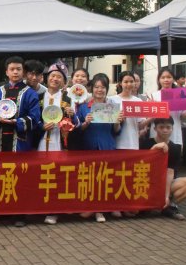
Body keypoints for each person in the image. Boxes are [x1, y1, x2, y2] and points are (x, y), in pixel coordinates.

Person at [0, 56, 41, 227]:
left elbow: (35, 119)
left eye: (19, 69)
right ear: (6, 72)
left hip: (20, 143)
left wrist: (16, 122)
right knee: (1, 175)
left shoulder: (30, 93)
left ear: (23, 72)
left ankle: (20, 214)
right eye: (12, 69)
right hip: (0, 142)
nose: (15, 72)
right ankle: (3, 211)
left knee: (21, 177)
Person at [77, 73, 123, 223]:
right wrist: (85, 123)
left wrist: (117, 121)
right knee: (90, 179)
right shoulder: (84, 107)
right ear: (92, 89)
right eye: (96, 87)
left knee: (104, 179)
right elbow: (77, 130)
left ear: (107, 89)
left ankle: (100, 210)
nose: (99, 90)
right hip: (88, 147)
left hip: (106, 146)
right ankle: (91, 207)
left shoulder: (112, 107)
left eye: (103, 87)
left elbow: (117, 131)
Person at [37, 62, 79, 225]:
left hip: (59, 142)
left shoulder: (68, 98)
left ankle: (54, 210)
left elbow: (76, 123)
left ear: (64, 81)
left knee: (56, 175)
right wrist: (41, 127)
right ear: (47, 78)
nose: (55, 79)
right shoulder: (38, 97)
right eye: (52, 76)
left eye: (59, 77)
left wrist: (72, 115)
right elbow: (33, 119)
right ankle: (40, 207)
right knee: (40, 173)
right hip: (41, 141)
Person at [108, 71, 151, 218]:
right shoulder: (112, 100)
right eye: (126, 81)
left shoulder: (138, 101)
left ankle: (126, 206)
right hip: (116, 143)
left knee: (129, 177)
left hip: (132, 143)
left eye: (131, 81)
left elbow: (140, 125)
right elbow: (108, 122)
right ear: (120, 83)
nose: (129, 84)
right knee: (116, 176)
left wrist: (152, 118)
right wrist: (118, 119)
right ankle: (115, 206)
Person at [141, 117, 186, 220]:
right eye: (161, 127)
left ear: (172, 129)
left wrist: (166, 196)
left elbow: (170, 172)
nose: (165, 130)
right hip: (146, 182)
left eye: (168, 127)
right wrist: (154, 149)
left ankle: (169, 206)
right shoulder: (145, 143)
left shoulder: (175, 148)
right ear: (155, 129)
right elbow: (140, 164)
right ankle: (149, 205)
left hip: (164, 183)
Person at [148, 68, 186, 149]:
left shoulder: (180, 95)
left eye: (169, 77)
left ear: (173, 79)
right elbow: (148, 117)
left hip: (175, 134)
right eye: (163, 77)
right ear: (159, 80)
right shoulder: (153, 95)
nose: (166, 80)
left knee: (174, 156)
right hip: (157, 135)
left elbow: (182, 116)